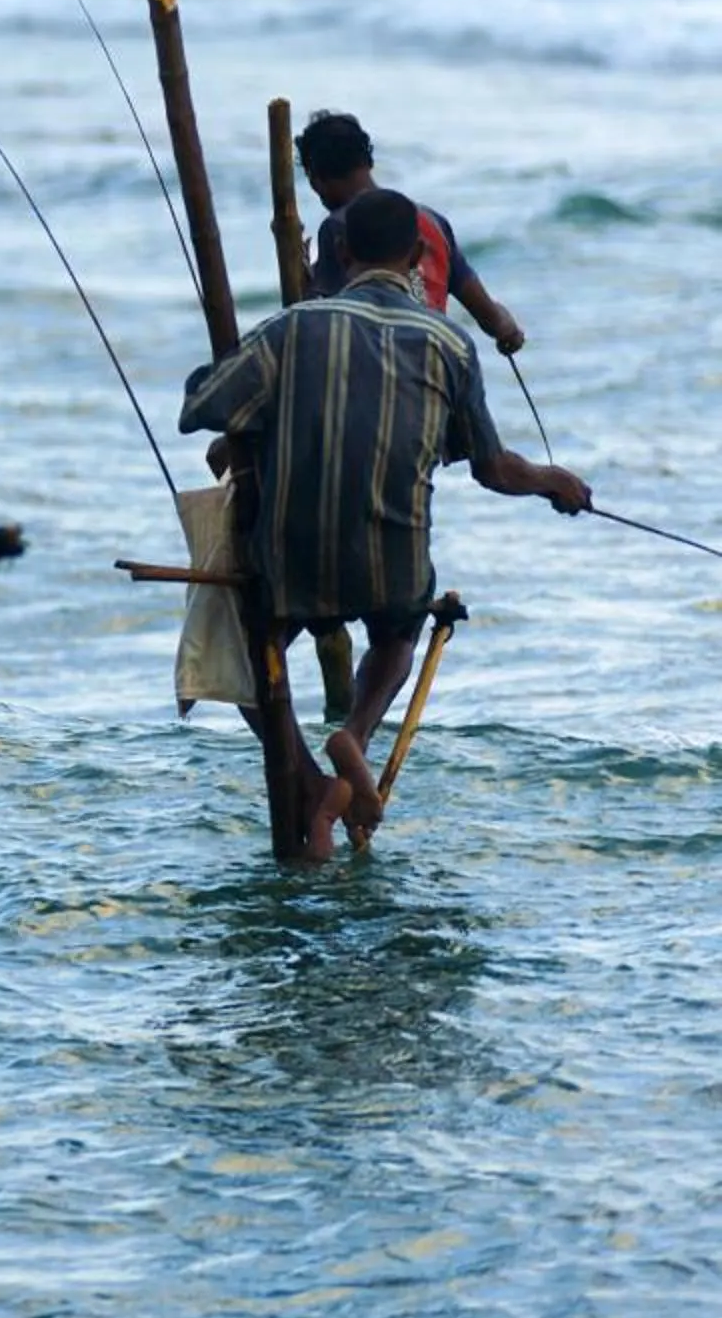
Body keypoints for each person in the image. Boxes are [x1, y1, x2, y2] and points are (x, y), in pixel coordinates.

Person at [180, 187, 589, 859]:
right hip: (391, 570)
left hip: (290, 565)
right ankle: (356, 735)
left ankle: (310, 781)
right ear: (419, 253)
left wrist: (230, 374)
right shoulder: (451, 343)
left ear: (340, 251)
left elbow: (200, 406)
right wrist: (553, 481)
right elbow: (491, 467)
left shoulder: (292, 328)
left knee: (248, 655)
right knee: (398, 636)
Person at [297, 110, 525, 354]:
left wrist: (303, 282)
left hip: (379, 362)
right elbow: (490, 317)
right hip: (437, 356)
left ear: (314, 178)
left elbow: (320, 322)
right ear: (369, 161)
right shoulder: (432, 222)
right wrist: (508, 331)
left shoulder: (339, 228)